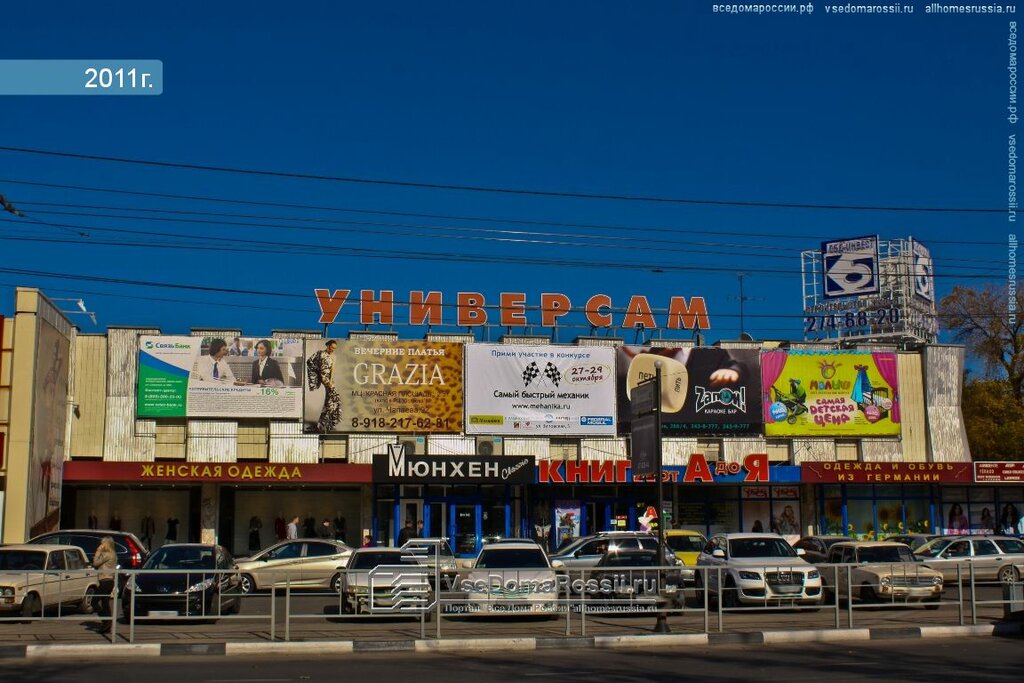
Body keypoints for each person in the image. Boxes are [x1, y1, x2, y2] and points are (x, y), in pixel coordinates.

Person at [306, 339, 342, 432]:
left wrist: (330, 382)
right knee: (330, 402)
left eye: (334, 348)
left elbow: (333, 371)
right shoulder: (320, 354)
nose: (333, 350)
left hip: (329, 381)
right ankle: (323, 425)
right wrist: (316, 376)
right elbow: (309, 362)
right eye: (332, 347)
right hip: (322, 379)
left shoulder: (334, 357)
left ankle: (323, 424)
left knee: (332, 401)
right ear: (328, 346)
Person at [92, 537, 118, 633]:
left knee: (94, 602)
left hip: (105, 581)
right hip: (109, 581)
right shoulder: (113, 554)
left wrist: (98, 551)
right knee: (105, 603)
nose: (101, 545)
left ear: (106, 544)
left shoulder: (107, 555)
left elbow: (95, 563)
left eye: (102, 543)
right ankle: (107, 625)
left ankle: (106, 622)